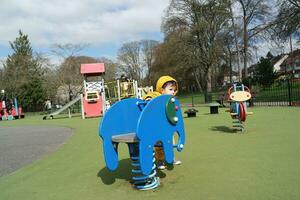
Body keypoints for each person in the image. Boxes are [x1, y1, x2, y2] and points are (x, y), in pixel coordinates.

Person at [142, 75, 182, 170]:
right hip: (156, 128)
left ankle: (170, 158)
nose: (173, 92)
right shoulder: (157, 96)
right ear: (162, 90)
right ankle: (160, 160)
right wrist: (148, 98)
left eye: (174, 90)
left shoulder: (171, 100)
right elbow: (150, 95)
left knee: (170, 142)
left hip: (167, 127)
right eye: (170, 89)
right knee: (159, 144)